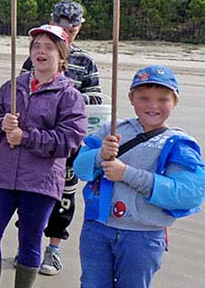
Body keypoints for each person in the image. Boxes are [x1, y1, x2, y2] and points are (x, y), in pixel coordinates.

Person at [0, 25, 87, 288]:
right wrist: (0, 123)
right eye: (36, 46)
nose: (41, 51)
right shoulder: (14, 87)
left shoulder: (69, 96)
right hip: (3, 176)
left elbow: (69, 141)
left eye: (48, 47)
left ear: (61, 55)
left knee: (30, 239)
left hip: (41, 182)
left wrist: (26, 137)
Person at [75, 65, 205, 288]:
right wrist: (99, 155)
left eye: (162, 99)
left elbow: (188, 194)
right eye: (144, 98)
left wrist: (127, 173)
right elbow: (80, 168)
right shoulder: (112, 130)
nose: (153, 106)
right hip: (97, 229)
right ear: (131, 98)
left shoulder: (177, 143)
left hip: (144, 236)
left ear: (175, 102)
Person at [16, 0, 102, 275]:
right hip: (35, 138)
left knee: (65, 194)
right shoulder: (35, 56)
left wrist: (67, 98)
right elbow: (20, 92)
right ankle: (28, 244)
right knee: (30, 192)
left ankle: (53, 249)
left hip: (67, 141)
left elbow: (97, 96)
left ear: (80, 28)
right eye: (61, 27)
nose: (67, 33)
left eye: (73, 29)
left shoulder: (85, 61)